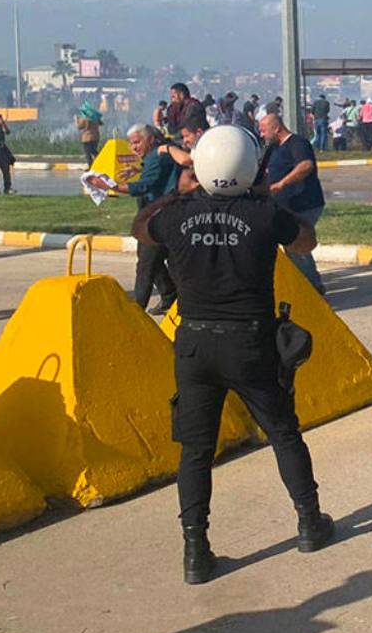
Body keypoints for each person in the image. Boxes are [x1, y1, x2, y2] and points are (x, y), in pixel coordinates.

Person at [134, 125, 333, 585]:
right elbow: (306, 240)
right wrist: (265, 198)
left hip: (195, 345)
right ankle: (309, 522)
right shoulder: (263, 214)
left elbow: (141, 227)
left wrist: (181, 195)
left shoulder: (178, 217)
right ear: (250, 166)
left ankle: (195, 551)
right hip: (251, 343)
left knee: (196, 451)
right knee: (283, 433)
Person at [111, 124, 179, 314]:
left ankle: (136, 309)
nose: (134, 147)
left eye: (137, 142)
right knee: (151, 260)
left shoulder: (159, 156)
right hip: (156, 215)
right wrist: (137, 169)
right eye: (131, 143)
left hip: (158, 217)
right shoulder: (155, 155)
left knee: (146, 265)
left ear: (150, 139)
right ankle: (168, 294)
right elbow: (152, 171)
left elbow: (144, 186)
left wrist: (111, 186)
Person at [258, 113, 326, 294]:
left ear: (276, 128)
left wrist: (281, 184)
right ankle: (300, 286)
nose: (262, 134)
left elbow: (305, 165)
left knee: (297, 243)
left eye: (264, 130)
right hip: (286, 207)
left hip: (305, 204)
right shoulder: (273, 149)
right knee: (291, 246)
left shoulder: (297, 143)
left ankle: (313, 287)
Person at [76, 101, 103, 167]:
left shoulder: (84, 119)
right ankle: (99, 161)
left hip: (87, 138)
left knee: (88, 152)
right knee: (93, 150)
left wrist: (77, 120)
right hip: (96, 137)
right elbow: (101, 123)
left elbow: (79, 127)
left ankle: (91, 165)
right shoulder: (95, 118)